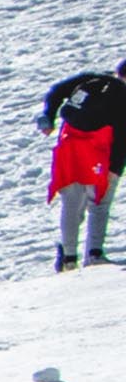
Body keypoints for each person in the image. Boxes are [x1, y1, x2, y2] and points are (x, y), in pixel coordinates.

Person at [38, 60, 124, 270]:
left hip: (71, 150)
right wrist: (115, 167)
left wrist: (49, 115)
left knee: (71, 204)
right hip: (102, 157)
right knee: (99, 205)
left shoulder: (92, 80)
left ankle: (68, 259)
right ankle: (94, 254)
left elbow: (56, 91)